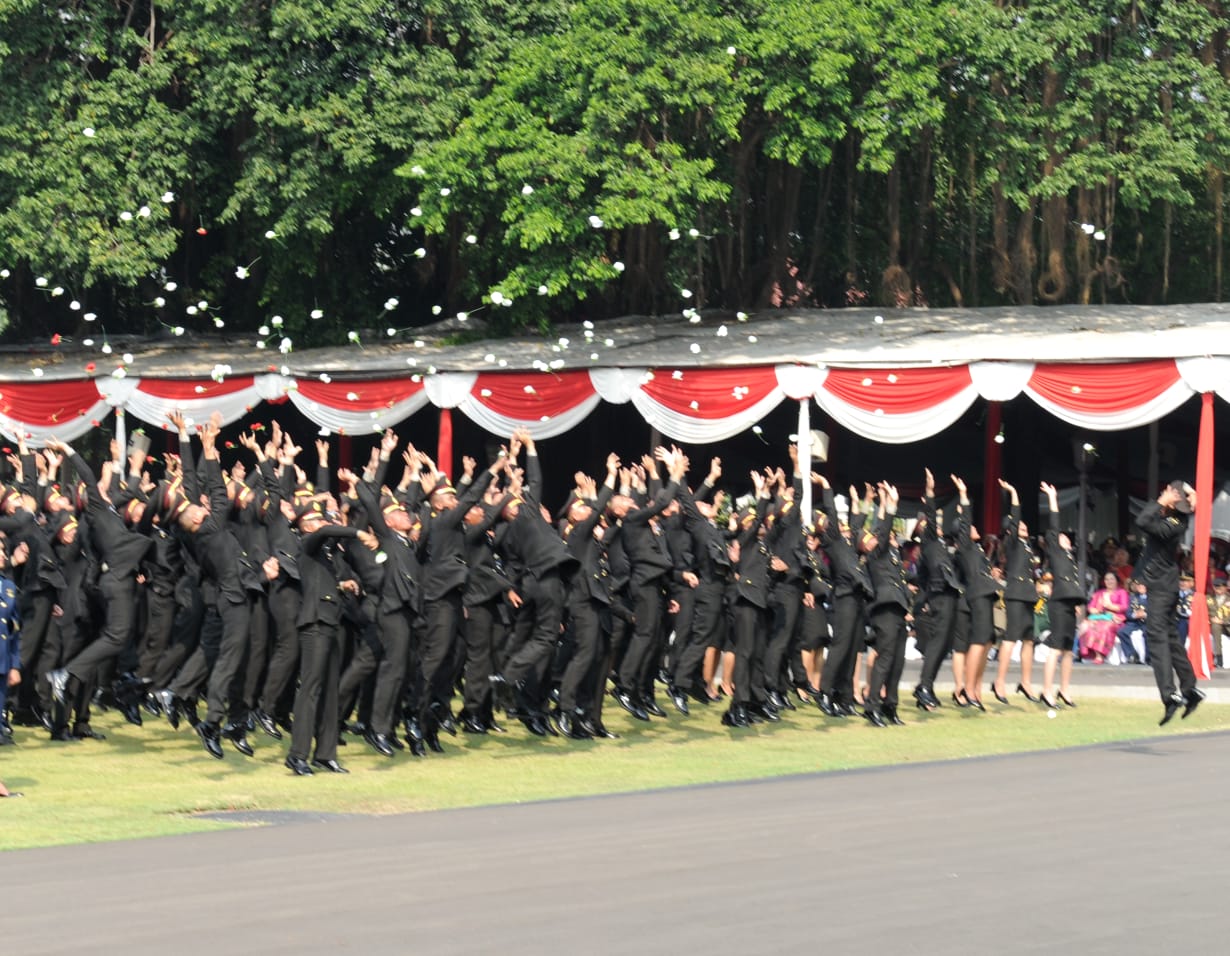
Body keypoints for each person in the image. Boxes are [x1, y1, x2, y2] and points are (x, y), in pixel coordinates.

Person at [1136, 480, 1203, 725]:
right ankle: (1190, 689)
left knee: (1156, 637)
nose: (1164, 493)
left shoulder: (1174, 524)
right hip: (1164, 586)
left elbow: (1142, 522)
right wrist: (1190, 492)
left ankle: (1169, 695)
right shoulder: (1173, 519)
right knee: (1171, 638)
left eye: (1169, 493)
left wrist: (1163, 502)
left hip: (1162, 588)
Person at [994, 480, 1039, 701]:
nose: (1023, 527)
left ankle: (1026, 681)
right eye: (1019, 526)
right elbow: (1016, 515)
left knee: (1029, 639)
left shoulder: (1027, 546)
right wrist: (1013, 492)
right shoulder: (1011, 543)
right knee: (1011, 638)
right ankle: (999, 682)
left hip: (1028, 594)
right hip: (1015, 594)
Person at [1038, 483, 1082, 709]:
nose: (1066, 539)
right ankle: (1047, 690)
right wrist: (1053, 498)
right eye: (1063, 537)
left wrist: (1076, 605)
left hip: (1069, 603)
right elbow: (1054, 524)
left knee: (1068, 650)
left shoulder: (1070, 559)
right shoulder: (1055, 550)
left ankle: (1064, 689)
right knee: (1056, 648)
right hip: (1057, 604)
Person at [1079, 572, 1128, 663]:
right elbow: (1090, 607)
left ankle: (1100, 655)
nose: (1109, 581)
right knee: (1087, 626)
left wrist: (1109, 606)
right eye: (1107, 579)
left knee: (1104, 627)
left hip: (1115, 619)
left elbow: (1124, 607)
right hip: (1098, 617)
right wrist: (1095, 610)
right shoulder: (1099, 593)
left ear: (1116, 581)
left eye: (1111, 579)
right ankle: (1090, 653)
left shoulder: (1121, 592)